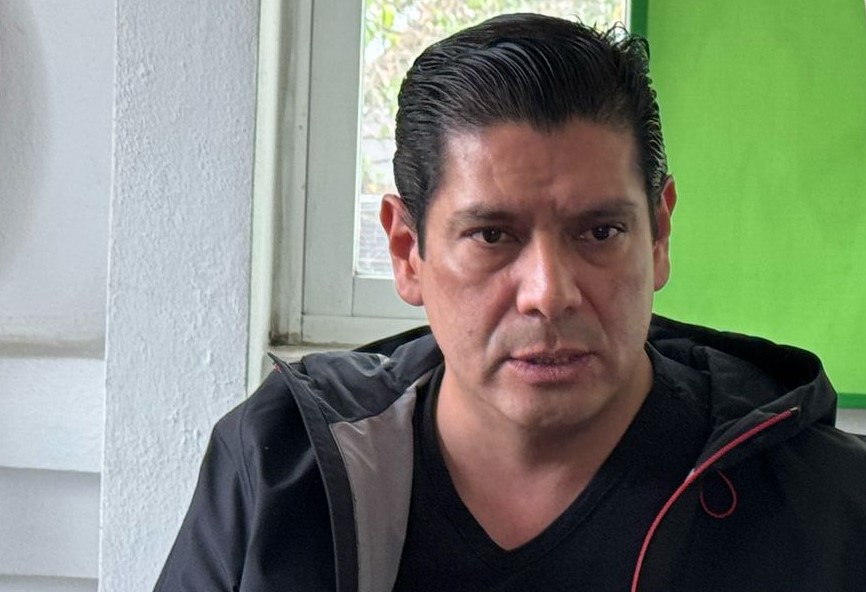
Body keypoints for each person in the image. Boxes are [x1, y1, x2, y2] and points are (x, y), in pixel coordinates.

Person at [154, 13, 866, 592]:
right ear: (406, 250)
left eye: (600, 232)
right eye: (492, 235)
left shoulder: (830, 508)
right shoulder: (281, 472)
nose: (549, 293)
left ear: (658, 236)